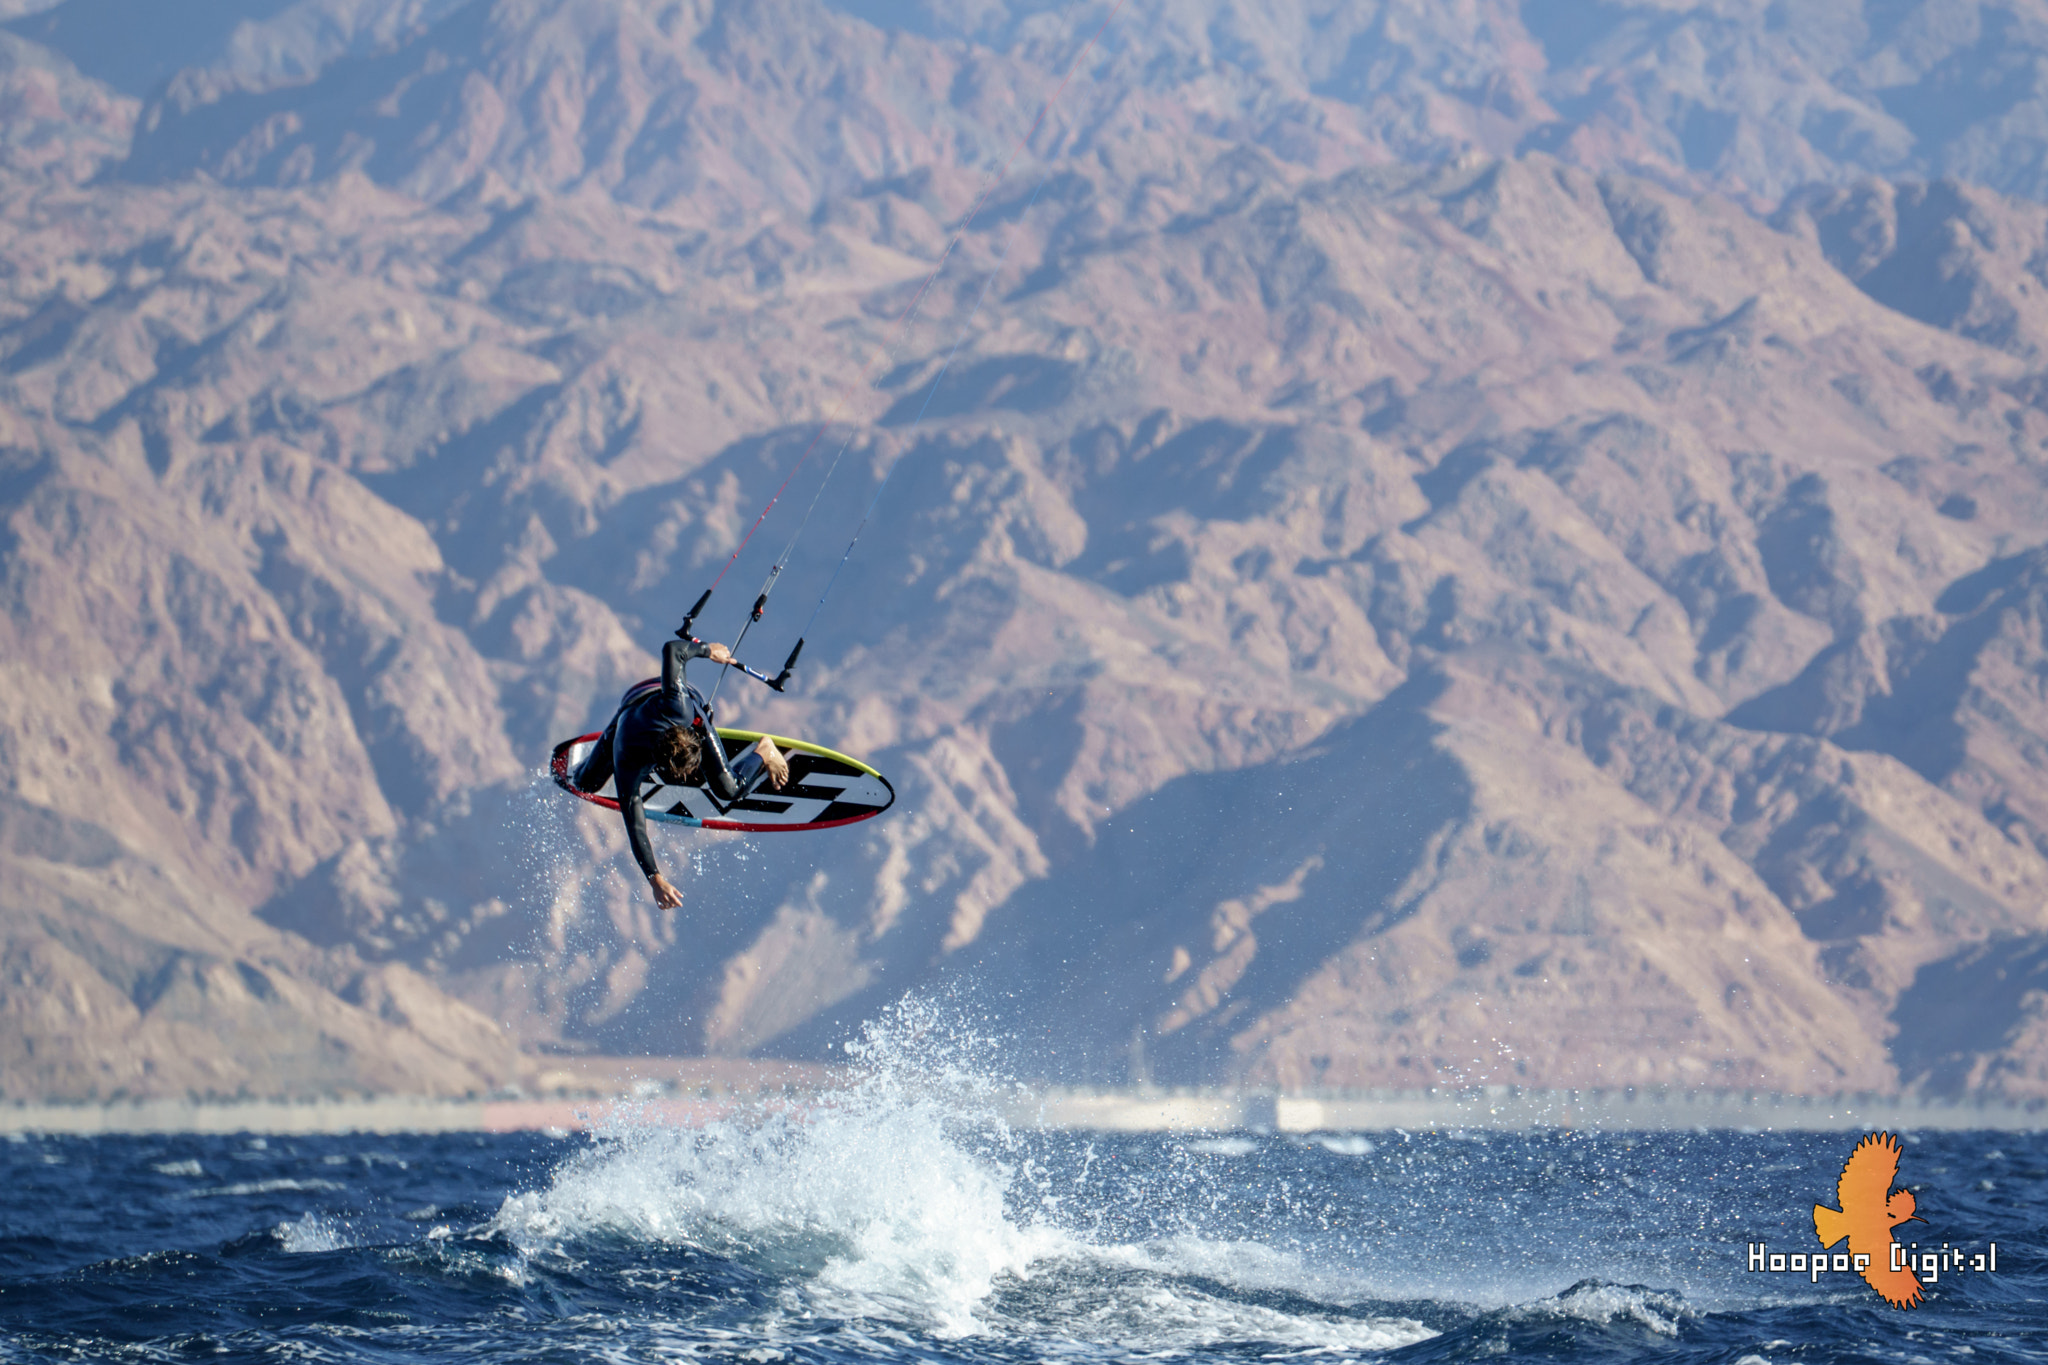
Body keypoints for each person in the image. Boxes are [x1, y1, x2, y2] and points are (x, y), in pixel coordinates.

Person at [573, 636, 790, 908]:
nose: (686, 778)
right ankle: (590, 762)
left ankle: (765, 752)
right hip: (627, 716)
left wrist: (708, 650)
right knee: (583, 783)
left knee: (730, 789)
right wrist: (655, 878)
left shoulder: (680, 709)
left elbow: (673, 650)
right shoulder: (629, 760)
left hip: (681, 702)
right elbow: (634, 821)